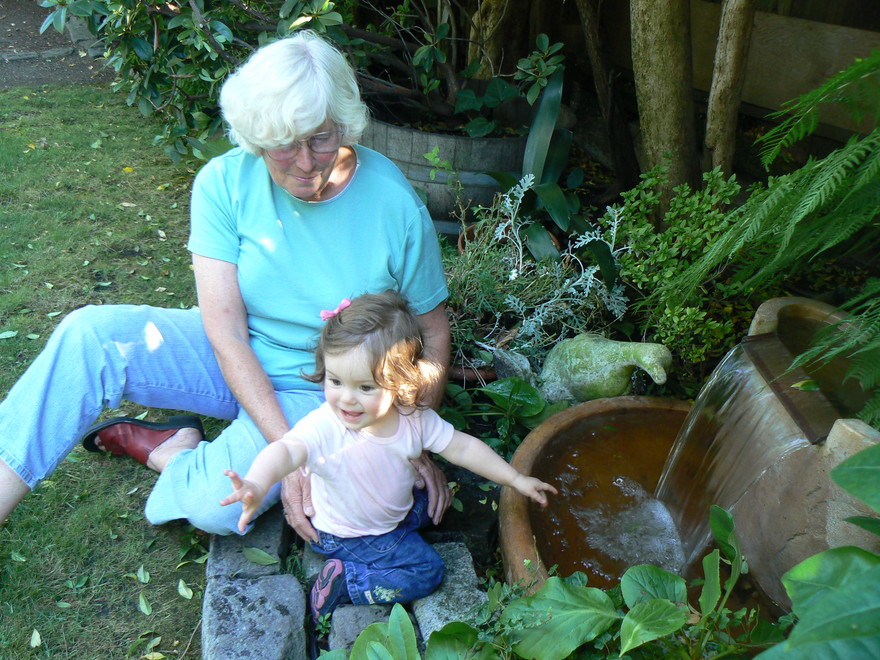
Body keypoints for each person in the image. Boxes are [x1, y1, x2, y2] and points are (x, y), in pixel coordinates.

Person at [0, 30, 453, 537]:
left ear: (345, 124)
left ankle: (173, 453)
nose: (306, 162)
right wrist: (289, 454)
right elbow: (226, 332)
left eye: (321, 138)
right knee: (90, 336)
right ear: (256, 138)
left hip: (325, 386)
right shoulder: (223, 183)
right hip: (232, 353)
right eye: (284, 145)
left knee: (213, 507)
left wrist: (408, 436)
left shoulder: (393, 203)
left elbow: (433, 332)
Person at [220, 291, 557, 621]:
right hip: (350, 535)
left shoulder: (412, 419)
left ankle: (396, 537)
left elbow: (463, 447)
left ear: (400, 383)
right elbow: (285, 450)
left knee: (431, 504)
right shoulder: (324, 427)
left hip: (389, 511)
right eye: (335, 381)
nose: (346, 398)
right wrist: (257, 483)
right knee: (427, 572)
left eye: (365, 387)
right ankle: (348, 582)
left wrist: (515, 478)